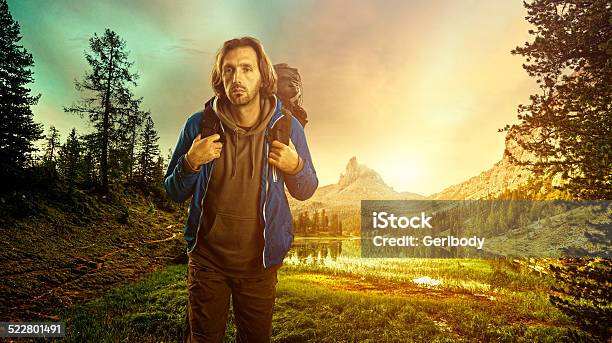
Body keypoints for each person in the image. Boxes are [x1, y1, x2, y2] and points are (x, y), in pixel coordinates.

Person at [164, 36, 318, 342]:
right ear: (220, 77)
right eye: (229, 69)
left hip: (259, 265)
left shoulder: (287, 128)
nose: (238, 78)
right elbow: (173, 191)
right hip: (207, 262)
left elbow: (306, 188)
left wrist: (295, 166)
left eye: (247, 69)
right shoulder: (198, 126)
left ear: (263, 76)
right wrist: (191, 162)